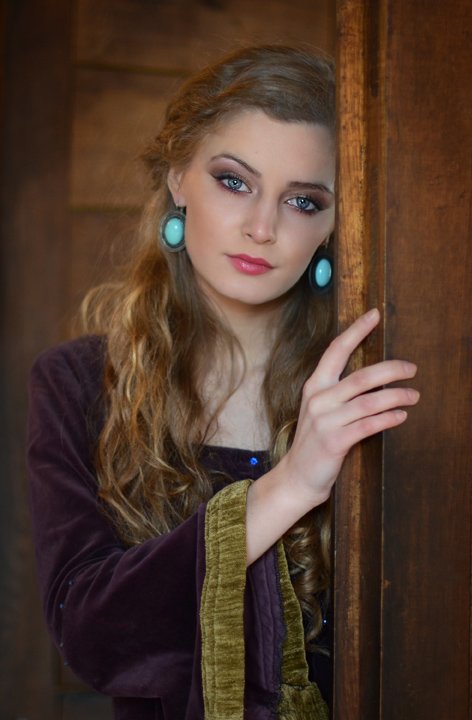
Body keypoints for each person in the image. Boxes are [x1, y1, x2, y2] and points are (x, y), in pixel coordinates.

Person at [26, 44, 419, 720]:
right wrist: (290, 487)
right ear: (178, 176)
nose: (262, 228)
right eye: (234, 182)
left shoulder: (367, 387)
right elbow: (91, 637)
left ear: (336, 223)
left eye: (303, 201)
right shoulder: (78, 383)